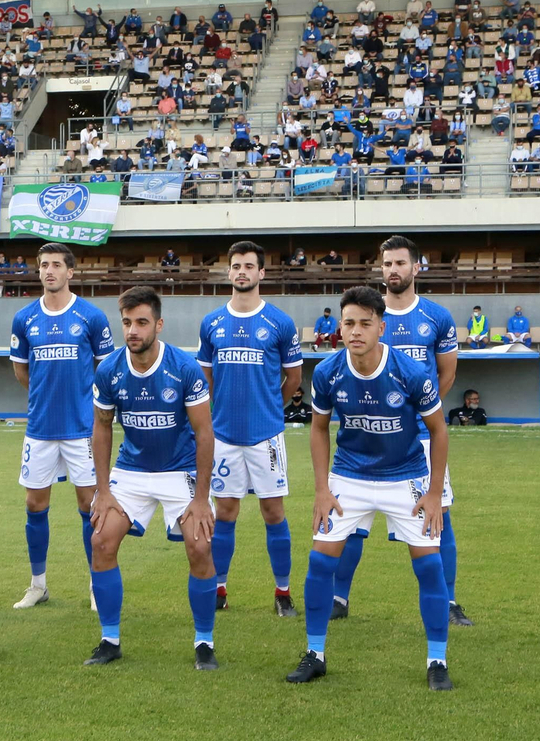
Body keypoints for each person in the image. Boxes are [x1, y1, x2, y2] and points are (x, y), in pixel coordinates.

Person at [289, 285, 451, 689]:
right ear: (339, 328)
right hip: (349, 477)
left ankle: (437, 661)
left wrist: (433, 494)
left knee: (429, 567)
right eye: (349, 323)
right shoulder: (327, 372)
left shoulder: (410, 372)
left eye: (365, 323)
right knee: (319, 562)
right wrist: (323, 489)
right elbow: (319, 429)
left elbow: (439, 430)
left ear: (381, 327)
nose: (356, 331)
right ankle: (315, 654)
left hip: (406, 476)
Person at [326, 235, 467, 626]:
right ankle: (339, 596)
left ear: (416, 267)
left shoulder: (437, 317)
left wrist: (420, 415)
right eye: (387, 264)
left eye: (401, 263)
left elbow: (447, 373)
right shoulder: (366, 314)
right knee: (350, 521)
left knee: (440, 516)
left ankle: (449, 602)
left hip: (419, 437)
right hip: (370, 435)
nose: (393, 270)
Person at [86, 287, 218, 670]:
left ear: (158, 324)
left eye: (141, 322)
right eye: (127, 322)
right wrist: (104, 490)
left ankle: (204, 642)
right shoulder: (109, 369)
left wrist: (200, 498)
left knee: (199, 546)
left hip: (180, 470)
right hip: (132, 471)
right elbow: (102, 427)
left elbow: (204, 433)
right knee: (101, 540)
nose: (133, 330)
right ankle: (110, 639)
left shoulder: (184, 368)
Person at [195, 242, 303, 615]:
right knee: (224, 511)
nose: (242, 271)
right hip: (223, 435)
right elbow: (205, 381)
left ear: (262, 273)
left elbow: (293, 378)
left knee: (273, 512)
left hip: (266, 435)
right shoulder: (212, 323)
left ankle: (282, 592)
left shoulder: (279, 322)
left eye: (249, 266)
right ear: (228, 273)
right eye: (236, 266)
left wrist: (270, 406)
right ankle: (220, 589)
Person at [7, 243, 115, 611]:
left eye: (56, 265)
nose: (49, 271)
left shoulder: (91, 317)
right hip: (40, 428)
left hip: (83, 429)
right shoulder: (24, 318)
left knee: (90, 505)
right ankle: (38, 585)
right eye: (43, 265)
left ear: (71, 272)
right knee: (35, 504)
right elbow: (23, 373)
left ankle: (94, 582)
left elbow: (105, 371)